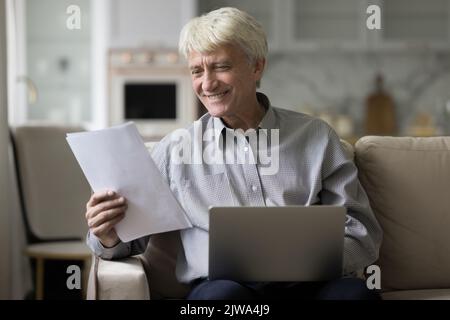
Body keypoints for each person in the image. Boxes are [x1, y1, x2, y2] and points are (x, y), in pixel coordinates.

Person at [85, 7, 382, 300]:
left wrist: (311, 260)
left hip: (312, 285)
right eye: (197, 71)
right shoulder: (175, 150)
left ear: (256, 67)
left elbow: (362, 231)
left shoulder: (316, 137)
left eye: (221, 67)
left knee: (354, 296)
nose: (207, 83)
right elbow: (131, 240)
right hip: (224, 288)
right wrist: (108, 234)